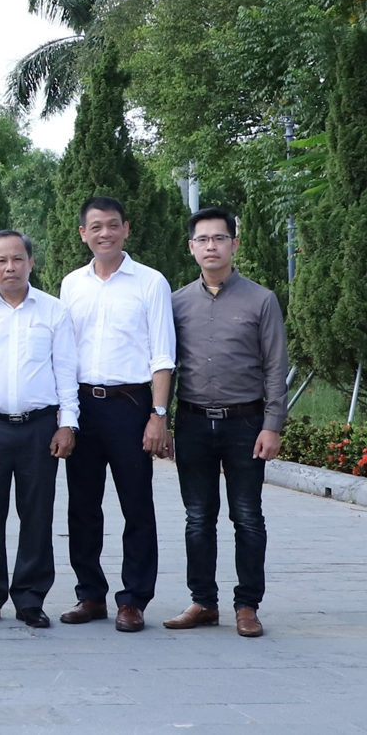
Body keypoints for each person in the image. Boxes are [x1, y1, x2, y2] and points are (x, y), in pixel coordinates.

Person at [162, 207, 286, 639]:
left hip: (246, 424)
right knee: (198, 518)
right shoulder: (175, 303)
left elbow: (275, 367)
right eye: (202, 239)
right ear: (191, 246)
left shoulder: (261, 299)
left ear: (234, 244)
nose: (211, 246)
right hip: (193, 422)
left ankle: (247, 605)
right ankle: (203, 602)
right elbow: (165, 366)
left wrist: (272, 424)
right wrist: (161, 421)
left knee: (248, 517)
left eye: (219, 238)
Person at [58, 196, 176, 633]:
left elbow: (163, 354)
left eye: (112, 225)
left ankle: (133, 600)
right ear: (83, 234)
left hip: (131, 405)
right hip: (82, 405)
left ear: (126, 228)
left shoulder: (150, 282)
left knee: (136, 505)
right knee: (82, 506)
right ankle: (89, 595)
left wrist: (158, 415)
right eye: (95, 226)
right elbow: (63, 353)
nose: (104, 233)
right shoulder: (72, 284)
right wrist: (64, 416)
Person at [0, 231, 79, 629]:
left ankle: (30, 598)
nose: (10, 267)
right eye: (1, 260)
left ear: (30, 263)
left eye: (18, 259)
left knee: (36, 515)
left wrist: (67, 423)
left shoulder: (53, 311)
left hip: (40, 427)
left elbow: (66, 371)